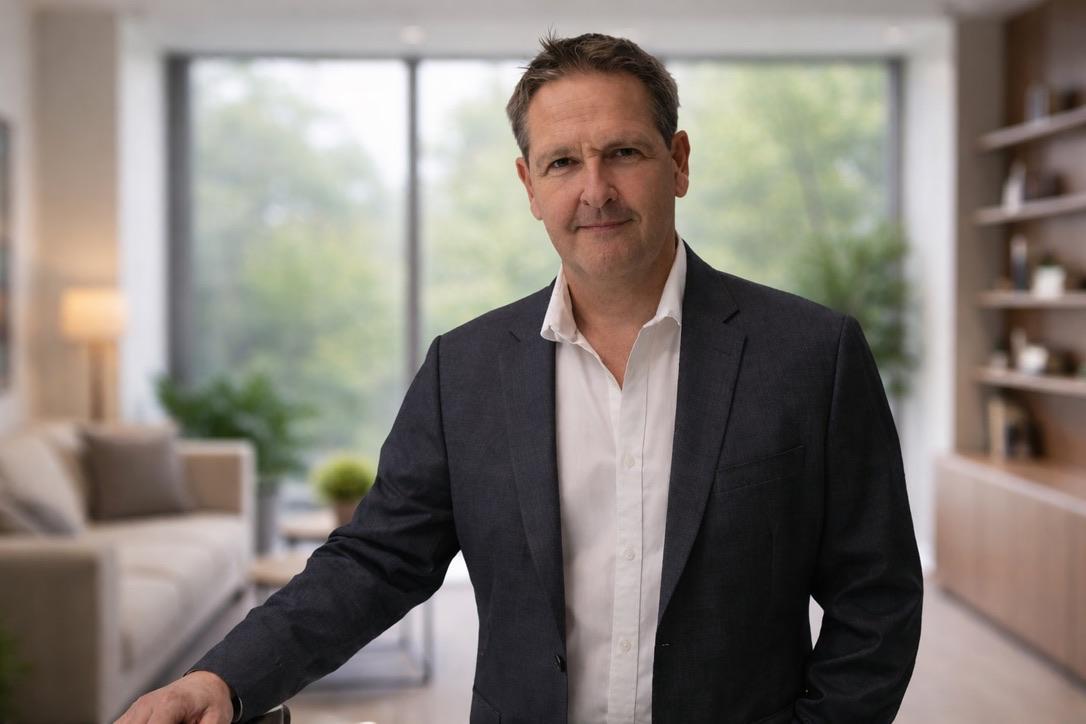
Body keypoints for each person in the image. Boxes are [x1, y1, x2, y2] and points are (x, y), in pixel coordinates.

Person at [117, 33, 922, 724]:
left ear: (677, 162)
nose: (595, 190)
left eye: (624, 153)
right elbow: (375, 561)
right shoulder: (464, 370)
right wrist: (222, 677)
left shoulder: (811, 355)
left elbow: (876, 597)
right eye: (563, 161)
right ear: (529, 185)